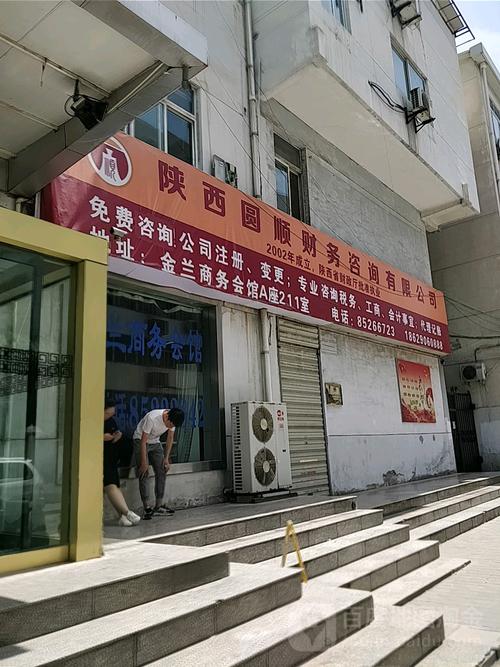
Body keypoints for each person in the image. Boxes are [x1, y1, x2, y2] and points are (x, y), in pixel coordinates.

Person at [133, 407, 185, 519]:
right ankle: (147, 508)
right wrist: (144, 462)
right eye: (170, 425)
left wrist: (166, 458)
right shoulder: (152, 417)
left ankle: (158, 506)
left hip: (155, 442)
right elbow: (143, 441)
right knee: (144, 472)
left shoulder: (174, 419)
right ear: (167, 417)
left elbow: (170, 438)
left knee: (162, 469)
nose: (170, 427)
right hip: (140, 440)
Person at [104, 401, 141, 527]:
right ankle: (126, 512)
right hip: (100, 459)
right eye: (107, 413)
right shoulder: (93, 421)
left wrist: (117, 435)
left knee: (114, 486)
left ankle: (123, 515)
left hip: (111, 458)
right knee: (110, 485)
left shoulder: (110, 421)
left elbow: (116, 432)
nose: (109, 416)